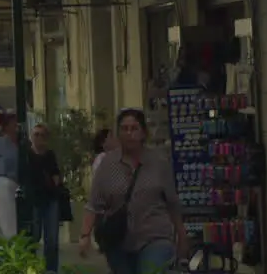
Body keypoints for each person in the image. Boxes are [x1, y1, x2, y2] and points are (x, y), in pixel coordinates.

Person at [80, 109, 187, 274]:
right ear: (118, 133)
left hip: (154, 236)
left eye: (134, 128)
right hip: (118, 240)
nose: (129, 133)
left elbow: (172, 202)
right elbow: (94, 204)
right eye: (124, 129)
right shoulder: (108, 164)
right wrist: (85, 236)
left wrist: (181, 235)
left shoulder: (159, 162)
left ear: (143, 132)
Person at [28, 124, 63, 274]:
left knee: (52, 239)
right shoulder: (26, 154)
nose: (39, 138)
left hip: (50, 199)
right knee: (33, 238)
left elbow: (56, 173)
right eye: (36, 134)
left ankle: (51, 270)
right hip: (33, 200)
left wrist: (55, 183)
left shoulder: (50, 155)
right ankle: (31, 268)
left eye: (42, 135)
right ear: (31, 136)